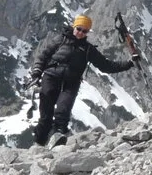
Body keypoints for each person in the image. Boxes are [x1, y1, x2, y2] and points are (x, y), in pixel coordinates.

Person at [27, 14, 138, 147]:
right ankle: (38, 145)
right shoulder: (60, 40)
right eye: (79, 29)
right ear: (74, 27)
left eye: (84, 31)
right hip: (50, 77)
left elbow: (106, 66)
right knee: (45, 117)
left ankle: (57, 144)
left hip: (71, 83)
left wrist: (130, 63)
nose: (80, 33)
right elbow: (42, 57)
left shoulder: (88, 50)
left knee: (63, 112)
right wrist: (36, 74)